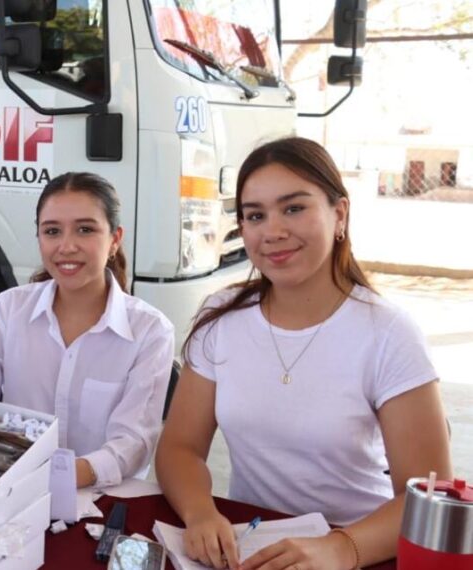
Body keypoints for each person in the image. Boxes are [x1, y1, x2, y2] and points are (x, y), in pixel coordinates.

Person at [156, 137, 452, 570]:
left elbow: (428, 494)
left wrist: (341, 548)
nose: (273, 231)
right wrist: (201, 512)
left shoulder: (388, 333)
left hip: (359, 547)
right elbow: (179, 447)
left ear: (340, 215)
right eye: (255, 215)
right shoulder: (220, 318)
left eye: (294, 208)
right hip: (253, 545)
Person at [0, 172, 174, 489]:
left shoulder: (150, 331)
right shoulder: (9, 309)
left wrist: (54, 479)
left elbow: (133, 443)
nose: (66, 246)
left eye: (85, 229)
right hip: (9, 489)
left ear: (115, 239)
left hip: (101, 498)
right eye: (52, 231)